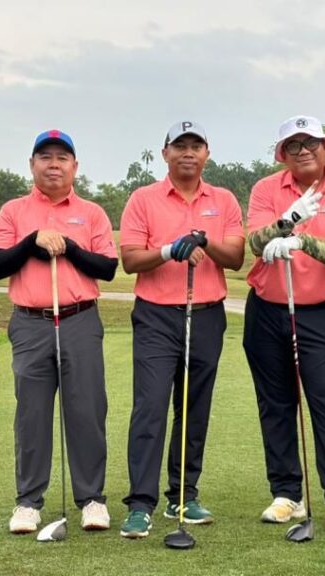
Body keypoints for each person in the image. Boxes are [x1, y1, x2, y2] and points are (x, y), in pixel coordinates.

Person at [0, 129, 118, 534]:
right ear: (32, 164)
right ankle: (28, 502)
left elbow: (108, 268)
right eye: (45, 157)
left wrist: (70, 248)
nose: (54, 164)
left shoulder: (92, 213)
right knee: (32, 414)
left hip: (80, 319)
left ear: (75, 166)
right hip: (30, 323)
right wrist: (31, 242)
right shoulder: (13, 211)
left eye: (62, 157)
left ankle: (92, 499)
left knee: (87, 411)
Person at [117, 121, 245, 539]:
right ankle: (141, 503)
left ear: (207, 154)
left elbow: (236, 258)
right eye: (180, 146)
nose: (188, 152)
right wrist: (170, 249)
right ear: (165, 153)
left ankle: (184, 494)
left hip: (206, 314)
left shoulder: (223, 200)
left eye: (196, 146)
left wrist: (204, 241)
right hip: (156, 316)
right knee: (150, 407)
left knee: (194, 408)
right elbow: (131, 260)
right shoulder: (143, 199)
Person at [243, 115, 325, 535]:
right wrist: (286, 220)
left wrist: (300, 240)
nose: (303, 151)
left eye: (310, 143)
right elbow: (255, 243)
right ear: (282, 154)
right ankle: (287, 494)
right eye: (293, 146)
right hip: (267, 310)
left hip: (321, 314)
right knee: (276, 404)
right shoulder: (265, 189)